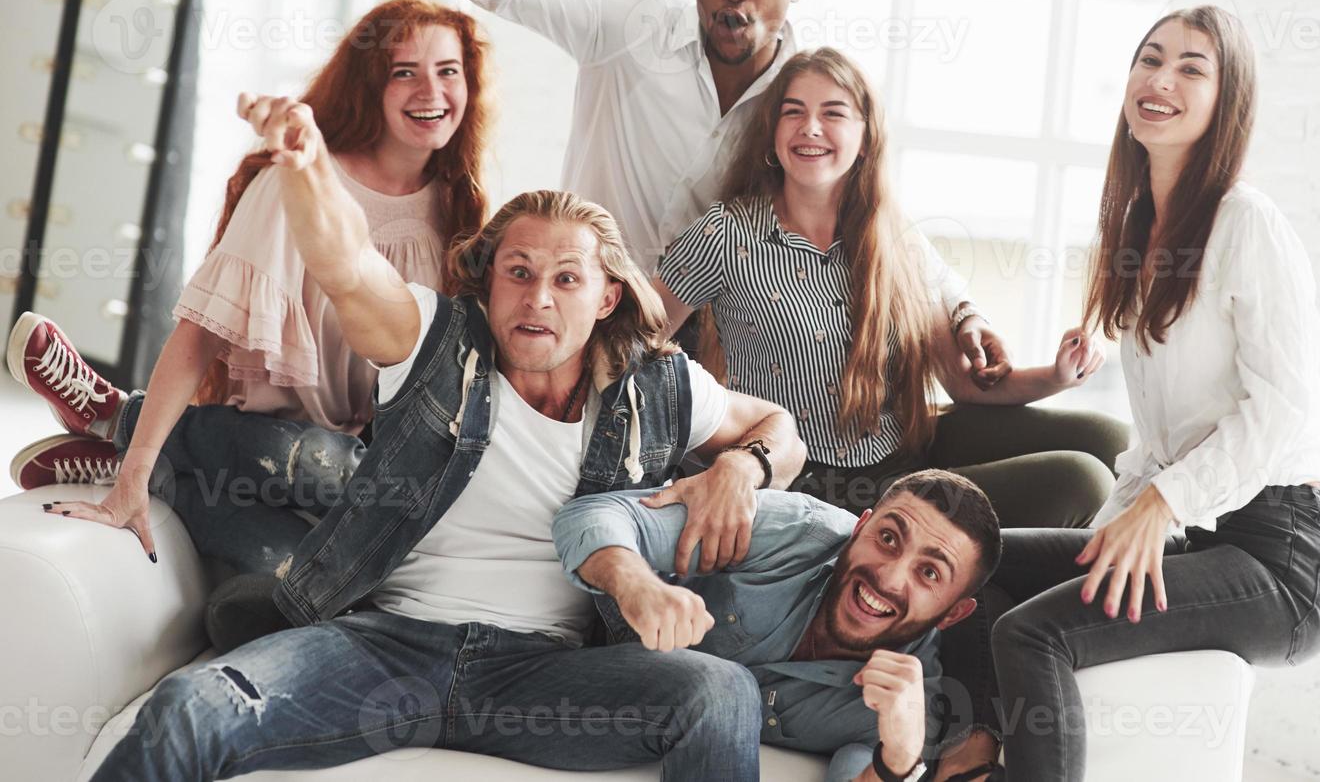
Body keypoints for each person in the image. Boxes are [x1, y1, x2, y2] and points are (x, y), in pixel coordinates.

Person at [91, 86, 806, 780]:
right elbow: (345, 264)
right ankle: (118, 431)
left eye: (566, 280)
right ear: (489, 282)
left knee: (717, 692)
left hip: (542, 675)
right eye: (518, 273)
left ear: (607, 295)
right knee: (191, 705)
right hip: (385, 649)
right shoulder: (433, 341)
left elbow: (783, 429)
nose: (537, 299)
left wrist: (742, 468)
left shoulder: (659, 385)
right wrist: (308, 166)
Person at [454, 0, 1126, 476]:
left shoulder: (806, 100)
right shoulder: (630, 20)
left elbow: (881, 223)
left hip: (720, 358)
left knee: (1094, 448)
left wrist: (962, 308)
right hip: (607, 322)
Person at [971, 7, 1320, 780]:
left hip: (1281, 557)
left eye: (1190, 68)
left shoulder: (1248, 223)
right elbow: (1156, 447)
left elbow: (1282, 410)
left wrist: (1163, 505)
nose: (1160, 80)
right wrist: (1113, 534)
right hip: (1195, 533)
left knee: (1032, 633)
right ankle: (970, 754)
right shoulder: (1140, 232)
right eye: (1150, 59)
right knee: (983, 562)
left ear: (1226, 100)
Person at [9, 0, 494, 584]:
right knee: (317, 461)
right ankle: (124, 431)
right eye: (404, 72)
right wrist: (131, 481)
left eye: (447, 71)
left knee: (302, 575)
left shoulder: (461, 209)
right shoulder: (293, 183)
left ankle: (124, 438)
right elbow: (201, 334)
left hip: (363, 464)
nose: (431, 91)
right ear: (371, 85)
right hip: (270, 441)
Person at [654, 47, 1116, 530]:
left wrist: (1059, 376)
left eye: (833, 113)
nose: (810, 127)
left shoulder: (893, 236)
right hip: (812, 482)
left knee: (1106, 439)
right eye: (794, 112)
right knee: (1081, 481)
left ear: (866, 137)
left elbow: (961, 381)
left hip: (906, 453)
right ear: (772, 134)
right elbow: (636, 341)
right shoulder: (725, 232)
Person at [554, 469, 1005, 782]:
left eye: (929, 573)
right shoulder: (795, 528)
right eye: (887, 539)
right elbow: (592, 514)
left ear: (951, 614)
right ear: (859, 527)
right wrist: (636, 586)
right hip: (587, 646)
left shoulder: (906, 705)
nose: (888, 577)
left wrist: (899, 761)